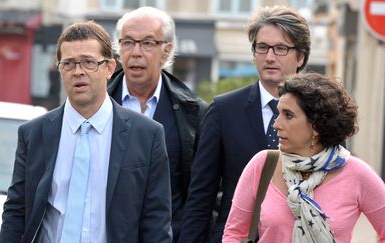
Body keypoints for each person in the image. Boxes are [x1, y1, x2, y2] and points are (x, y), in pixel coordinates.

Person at [0, 21, 172, 243]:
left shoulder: (147, 135)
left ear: (109, 68)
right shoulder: (34, 133)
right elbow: (16, 211)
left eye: (88, 62)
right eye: (68, 64)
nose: (78, 72)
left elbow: (156, 221)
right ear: (59, 69)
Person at [179, 6, 311, 242]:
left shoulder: (320, 114)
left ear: (300, 57)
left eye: (281, 48)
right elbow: (200, 197)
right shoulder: (223, 110)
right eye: (262, 47)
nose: (269, 57)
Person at [223, 72, 385, 242]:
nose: (276, 124)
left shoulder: (357, 173)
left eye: (288, 115)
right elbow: (234, 233)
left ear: (316, 125)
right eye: (278, 113)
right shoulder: (263, 164)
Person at [107, 6, 207, 241]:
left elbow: (203, 193)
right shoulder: (99, 105)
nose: (136, 52)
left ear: (166, 51)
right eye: (128, 42)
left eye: (148, 43)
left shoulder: (193, 112)